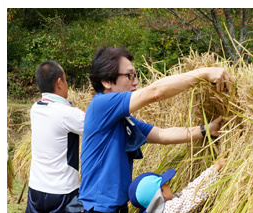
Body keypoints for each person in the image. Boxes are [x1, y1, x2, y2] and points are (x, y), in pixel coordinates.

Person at [80, 47, 231, 213]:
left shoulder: (121, 120)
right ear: (106, 81)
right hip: (98, 209)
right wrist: (202, 74)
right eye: (129, 75)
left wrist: (206, 130)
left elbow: (162, 135)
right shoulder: (101, 105)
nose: (135, 82)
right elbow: (155, 92)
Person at [26, 61, 85, 213]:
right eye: (66, 80)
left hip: (35, 188)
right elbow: (99, 127)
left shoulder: (36, 108)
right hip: (62, 191)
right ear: (59, 82)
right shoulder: (67, 114)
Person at [128, 149, 227, 213]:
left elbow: (190, 190)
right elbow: (196, 196)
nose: (168, 185)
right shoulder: (168, 209)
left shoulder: (157, 208)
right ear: (160, 194)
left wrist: (212, 169)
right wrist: (216, 169)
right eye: (165, 184)